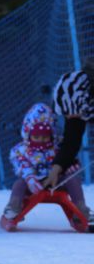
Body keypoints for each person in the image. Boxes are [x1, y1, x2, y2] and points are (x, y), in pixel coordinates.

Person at [3, 102, 87, 219]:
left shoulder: (58, 146)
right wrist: (30, 179)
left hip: (57, 182)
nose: (41, 140)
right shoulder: (21, 150)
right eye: (36, 137)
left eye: (45, 137)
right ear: (29, 134)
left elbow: (68, 158)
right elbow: (22, 164)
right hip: (33, 183)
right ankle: (13, 207)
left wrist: (70, 167)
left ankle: (81, 209)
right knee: (19, 184)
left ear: (51, 134)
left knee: (73, 180)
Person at [44, 70, 93, 216]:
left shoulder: (81, 102)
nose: (69, 117)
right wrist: (55, 170)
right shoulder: (79, 109)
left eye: (70, 112)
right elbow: (71, 141)